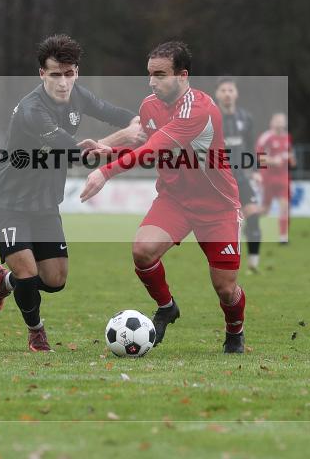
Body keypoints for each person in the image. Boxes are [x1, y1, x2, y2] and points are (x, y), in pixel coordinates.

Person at [80, 41, 247, 354]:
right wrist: (111, 152)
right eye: (149, 75)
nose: (152, 82)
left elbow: (155, 147)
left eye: (160, 75)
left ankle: (234, 332)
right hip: (174, 199)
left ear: (183, 76)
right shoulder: (149, 106)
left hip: (217, 206)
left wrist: (106, 171)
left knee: (225, 289)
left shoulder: (199, 108)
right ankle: (167, 306)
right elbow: (149, 151)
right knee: (143, 251)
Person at [0, 34, 146, 352]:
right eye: (55, 74)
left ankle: (4, 282)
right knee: (29, 274)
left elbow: (113, 111)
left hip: (45, 203)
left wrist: (140, 119)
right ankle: (36, 332)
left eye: (69, 74)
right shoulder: (32, 111)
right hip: (9, 202)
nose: (63, 82)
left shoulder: (78, 96)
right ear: (42, 74)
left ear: (77, 72)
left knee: (55, 280)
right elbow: (77, 154)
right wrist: (125, 136)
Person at [214, 77, 264, 274]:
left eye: (230, 90)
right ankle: (222, 263)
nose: (227, 94)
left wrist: (258, 171)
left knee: (253, 214)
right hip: (216, 180)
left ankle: (253, 262)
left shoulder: (246, 118)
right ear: (217, 94)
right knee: (222, 224)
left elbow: (252, 147)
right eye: (223, 90)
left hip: (241, 177)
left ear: (236, 94)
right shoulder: (210, 117)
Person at [254, 113, 296, 249]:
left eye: (282, 121)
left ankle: (283, 238)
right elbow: (258, 158)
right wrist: (273, 161)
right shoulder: (266, 137)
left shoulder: (287, 138)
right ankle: (247, 220)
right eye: (277, 121)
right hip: (268, 177)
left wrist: (291, 158)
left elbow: (289, 154)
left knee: (285, 206)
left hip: (283, 177)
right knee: (265, 209)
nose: (279, 124)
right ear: (271, 123)